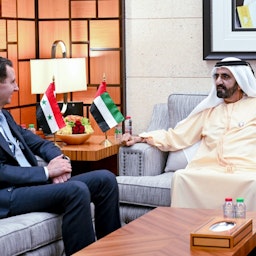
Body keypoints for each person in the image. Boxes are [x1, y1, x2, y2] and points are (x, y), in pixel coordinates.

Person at [0, 57, 121, 256]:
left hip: (33, 186)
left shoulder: (5, 116)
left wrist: (60, 162)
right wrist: (47, 172)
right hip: (10, 195)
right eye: (12, 82)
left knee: (105, 179)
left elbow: (40, 143)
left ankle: (112, 252)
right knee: (76, 190)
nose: (17, 88)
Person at [122, 57, 256, 211]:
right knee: (181, 177)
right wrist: (140, 137)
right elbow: (177, 136)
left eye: (225, 77)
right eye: (216, 76)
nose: (219, 81)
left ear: (240, 82)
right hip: (208, 170)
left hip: (246, 170)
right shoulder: (209, 111)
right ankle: (186, 231)